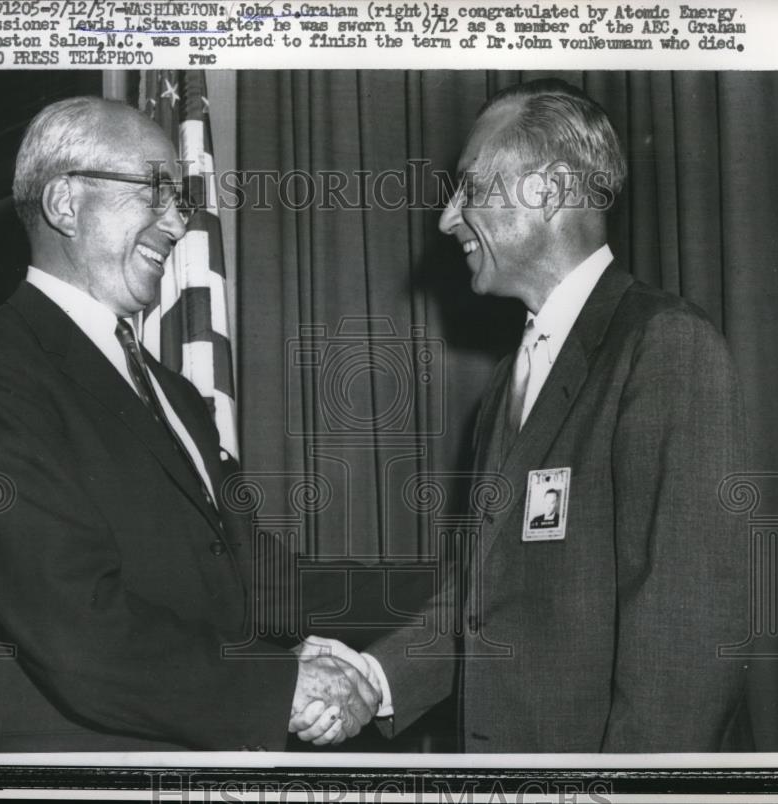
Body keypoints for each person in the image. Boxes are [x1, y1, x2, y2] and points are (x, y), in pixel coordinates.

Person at [0, 97, 379, 752]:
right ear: (65, 203)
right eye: (157, 191)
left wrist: (458, 582)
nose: (178, 222)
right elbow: (73, 625)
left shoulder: (178, 395)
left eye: (181, 200)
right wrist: (286, 687)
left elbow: (261, 579)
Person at [292, 78, 751, 752]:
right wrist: (373, 678)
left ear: (548, 190)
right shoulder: (514, 378)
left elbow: (689, 643)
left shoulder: (662, 346)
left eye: (469, 189)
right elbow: (485, 602)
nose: (449, 220)